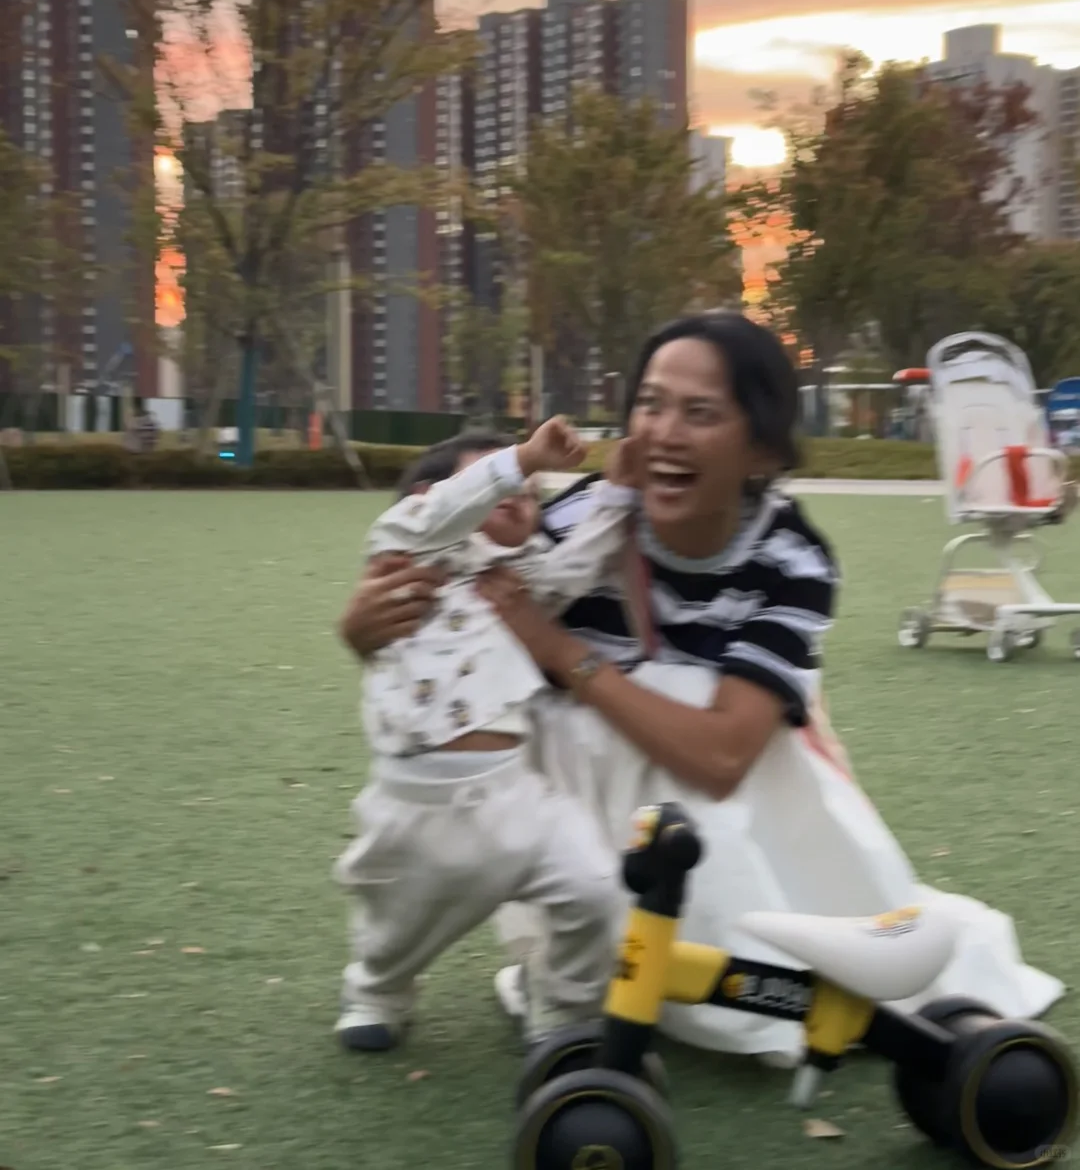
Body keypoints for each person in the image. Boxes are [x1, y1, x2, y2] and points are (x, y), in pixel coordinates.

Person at [340, 312, 1063, 1066]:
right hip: (579, 798)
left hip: (726, 800)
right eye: (650, 405)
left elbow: (722, 758)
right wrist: (365, 631)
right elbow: (449, 631)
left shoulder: (789, 558)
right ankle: (574, 969)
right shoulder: (577, 520)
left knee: (776, 953)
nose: (664, 433)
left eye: (700, 413)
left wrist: (558, 650)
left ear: (762, 449)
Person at [334, 419, 641, 1053]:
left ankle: (565, 1008)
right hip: (416, 801)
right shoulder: (405, 547)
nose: (520, 495)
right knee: (399, 925)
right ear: (424, 495)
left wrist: (617, 495)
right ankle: (377, 991)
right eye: (502, 482)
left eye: (531, 494)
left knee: (594, 888)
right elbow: (451, 507)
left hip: (516, 794)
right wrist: (525, 455)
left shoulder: (517, 579)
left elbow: (576, 566)